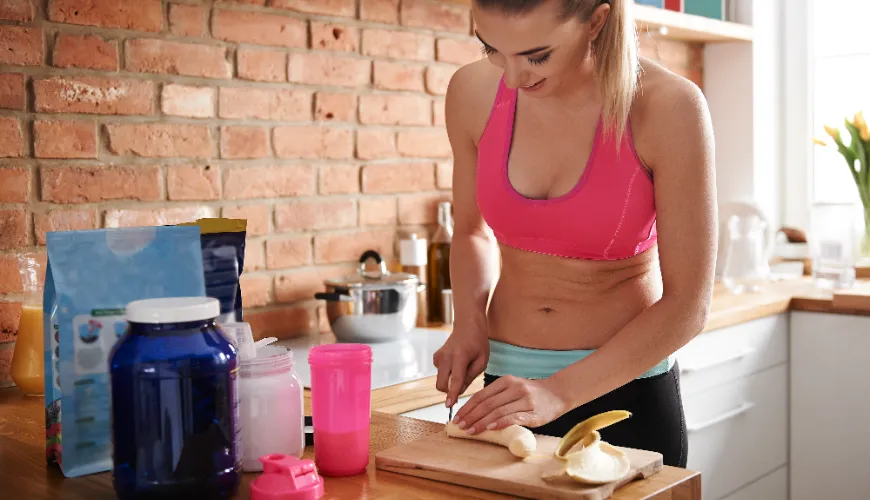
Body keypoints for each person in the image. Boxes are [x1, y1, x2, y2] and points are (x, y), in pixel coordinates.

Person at [433, 0, 717, 468]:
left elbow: (689, 304)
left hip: (626, 394)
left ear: (597, 21)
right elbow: (470, 233)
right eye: (492, 49)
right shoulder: (471, 92)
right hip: (507, 389)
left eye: (536, 56)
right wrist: (469, 323)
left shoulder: (669, 107)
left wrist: (556, 393)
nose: (512, 79)